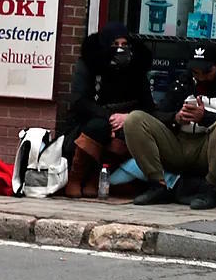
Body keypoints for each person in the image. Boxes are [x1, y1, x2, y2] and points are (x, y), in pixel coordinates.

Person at [124, 42, 216, 209]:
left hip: (210, 150)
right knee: (134, 119)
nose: (200, 76)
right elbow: (158, 112)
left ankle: (210, 189)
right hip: (178, 145)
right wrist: (175, 118)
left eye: (206, 71)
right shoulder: (184, 81)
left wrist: (205, 117)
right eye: (196, 71)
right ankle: (158, 185)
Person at [63, 22, 155, 198]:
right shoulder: (89, 64)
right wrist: (110, 117)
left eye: (124, 45)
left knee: (123, 133)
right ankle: (76, 178)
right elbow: (79, 101)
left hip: (126, 120)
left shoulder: (136, 68)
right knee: (99, 127)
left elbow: (148, 106)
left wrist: (128, 118)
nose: (120, 49)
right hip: (89, 121)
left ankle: (95, 178)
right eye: (115, 45)